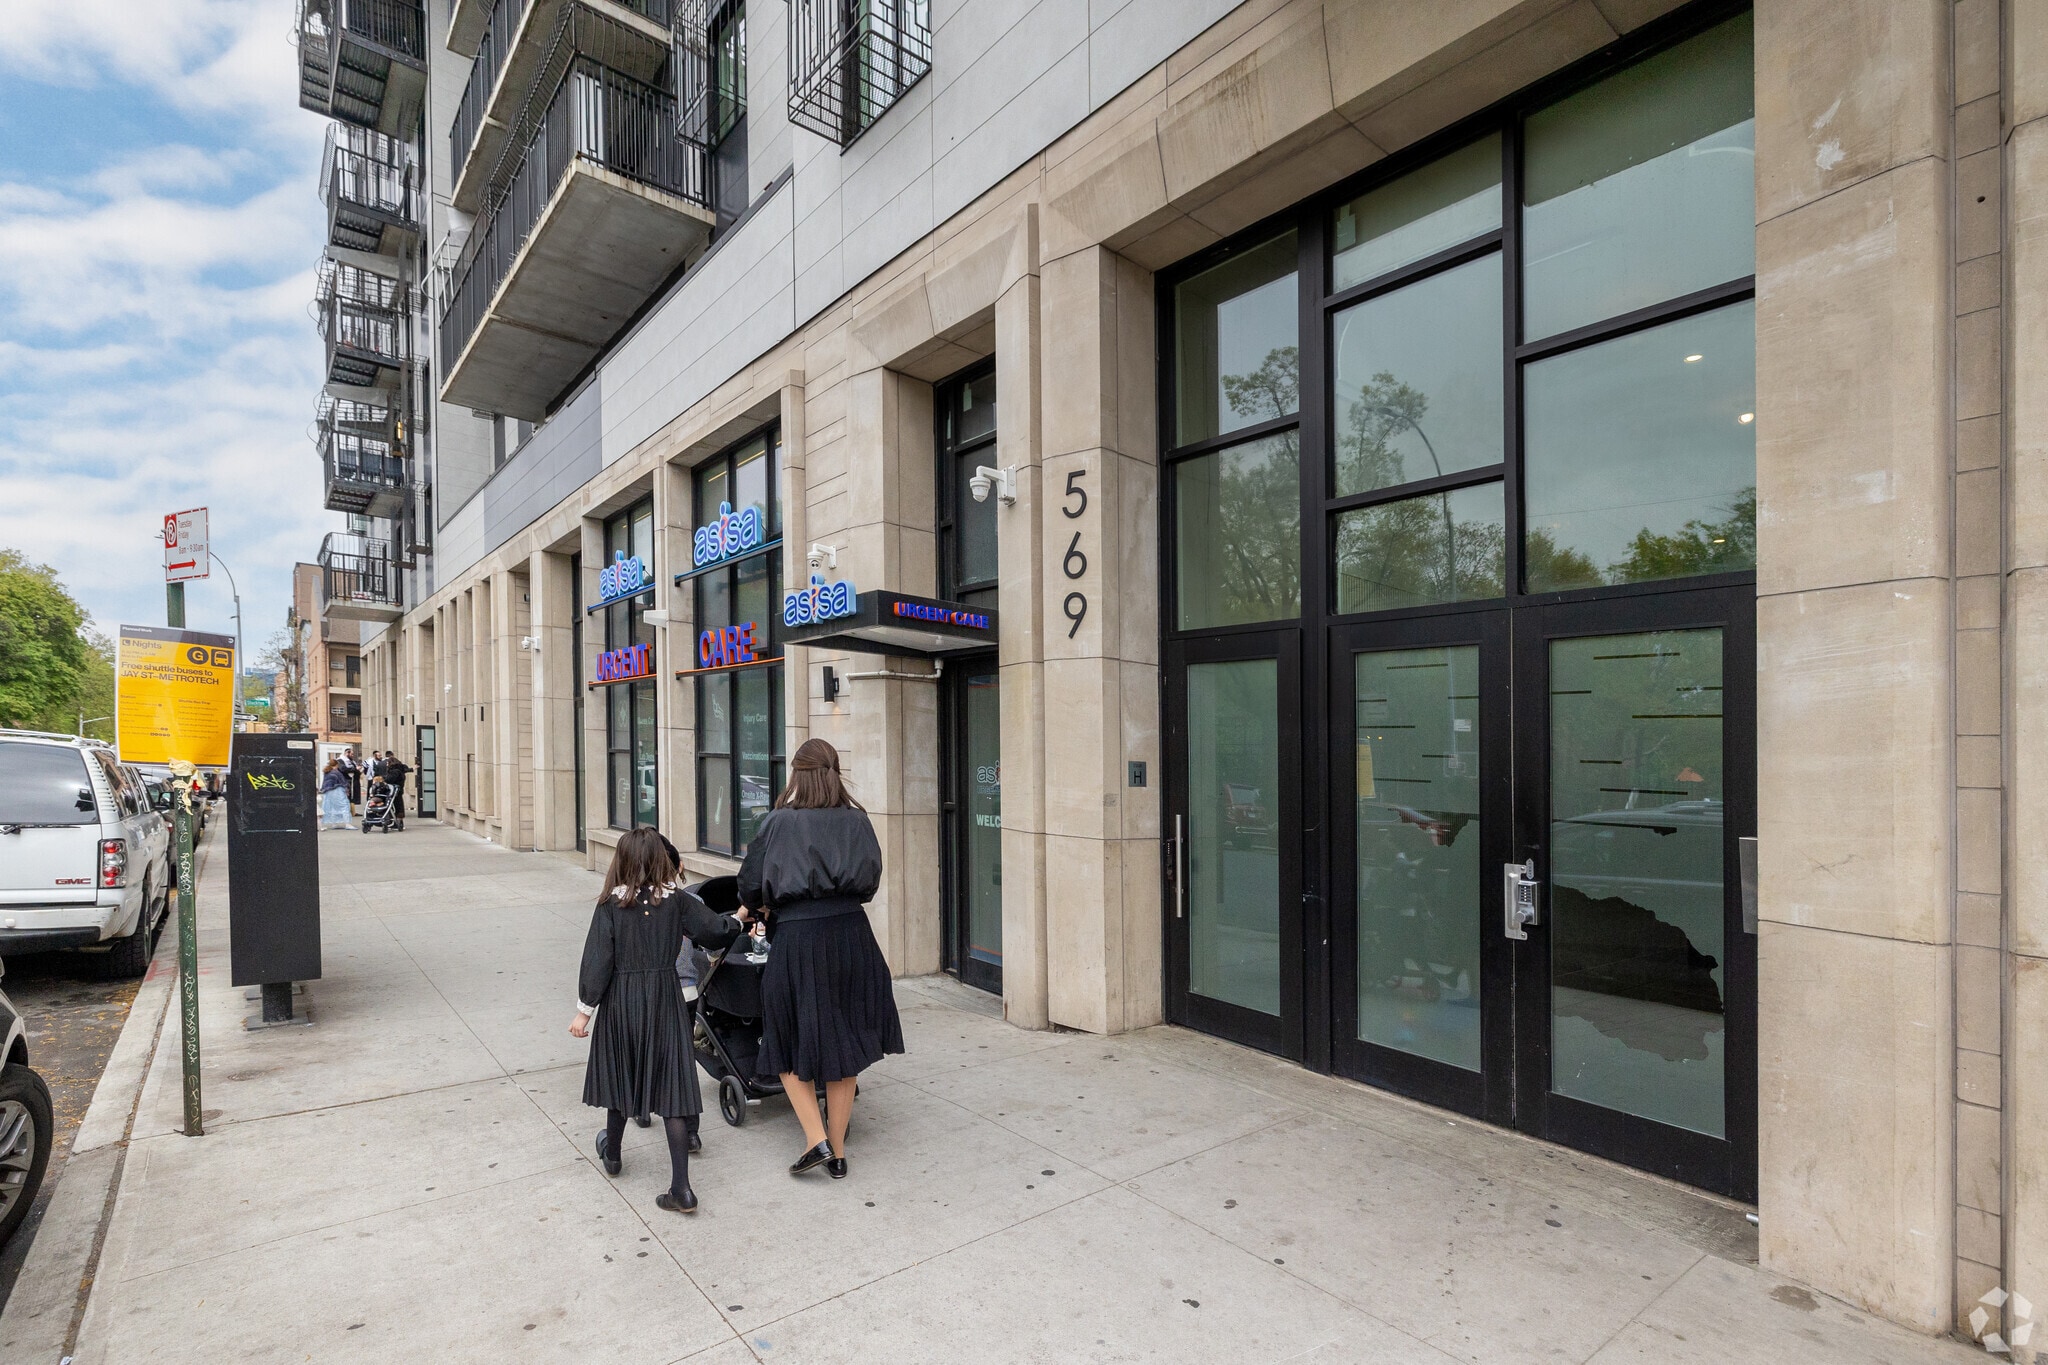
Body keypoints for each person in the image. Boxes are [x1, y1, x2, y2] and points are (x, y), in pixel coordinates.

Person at [738, 738, 903, 1179]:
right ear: (834, 772)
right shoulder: (858, 820)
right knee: (845, 1038)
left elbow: (750, 884)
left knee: (786, 1034)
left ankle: (817, 1141)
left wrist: (762, 906)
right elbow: (871, 881)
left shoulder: (777, 822)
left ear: (798, 774)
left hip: (798, 938)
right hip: (852, 936)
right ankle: (839, 1151)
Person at [571, 827, 749, 1213]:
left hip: (622, 1001)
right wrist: (737, 920)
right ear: (660, 861)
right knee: (672, 1090)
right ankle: (681, 1189)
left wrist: (584, 1011)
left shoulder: (610, 904)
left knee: (622, 1076)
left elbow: (598, 960)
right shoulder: (676, 902)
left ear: (622, 860)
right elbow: (714, 931)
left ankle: (613, 1154)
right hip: (667, 999)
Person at [318, 758, 352, 830]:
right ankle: (347, 824)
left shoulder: (327, 772)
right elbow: (343, 782)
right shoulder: (336, 772)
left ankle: (334, 823)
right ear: (336, 765)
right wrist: (347, 789)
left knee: (332, 807)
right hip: (338, 791)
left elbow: (326, 783)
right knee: (344, 806)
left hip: (328, 792)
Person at [381, 751, 410, 821]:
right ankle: (398, 818)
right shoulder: (400, 770)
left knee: (396, 804)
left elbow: (389, 780)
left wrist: (384, 779)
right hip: (398, 790)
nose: (387, 764)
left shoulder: (395, 772)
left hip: (394, 790)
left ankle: (395, 818)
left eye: (388, 763)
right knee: (398, 804)